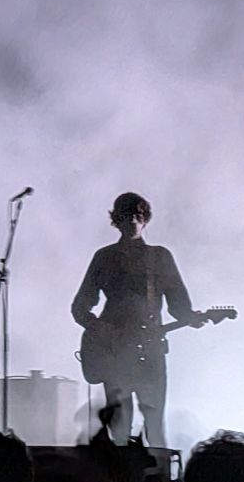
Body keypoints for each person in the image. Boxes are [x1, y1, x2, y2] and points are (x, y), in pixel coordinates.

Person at [72, 192, 202, 448]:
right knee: (120, 429)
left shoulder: (160, 257)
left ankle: (157, 481)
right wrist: (105, 331)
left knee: (154, 426)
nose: (132, 220)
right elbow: (79, 308)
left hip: (150, 352)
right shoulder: (104, 257)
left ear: (145, 220)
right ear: (116, 221)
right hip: (114, 354)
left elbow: (179, 306)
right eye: (126, 215)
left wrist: (193, 318)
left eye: (138, 215)